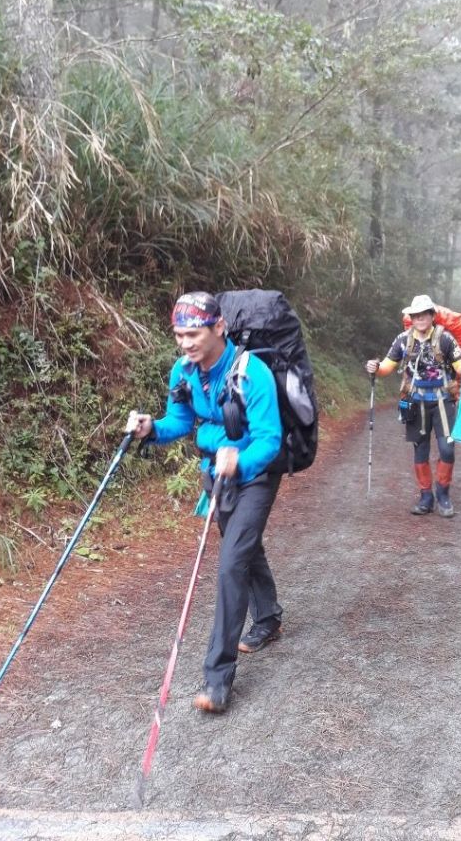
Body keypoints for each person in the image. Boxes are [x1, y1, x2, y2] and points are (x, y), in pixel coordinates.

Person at [126, 291, 284, 715]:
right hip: (216, 473)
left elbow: (270, 439)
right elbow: (179, 421)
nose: (185, 343)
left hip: (256, 475)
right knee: (243, 548)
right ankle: (268, 616)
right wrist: (151, 429)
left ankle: (217, 679)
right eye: (179, 335)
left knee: (232, 563)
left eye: (193, 334)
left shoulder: (253, 374)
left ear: (219, 327)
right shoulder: (184, 371)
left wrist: (240, 462)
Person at [366, 294, 461, 517]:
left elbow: (459, 368)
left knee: (447, 449)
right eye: (415, 315)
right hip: (415, 402)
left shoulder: (445, 339)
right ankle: (426, 497)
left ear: (432, 316)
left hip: (443, 400)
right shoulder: (403, 340)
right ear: (411, 318)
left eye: (424, 314)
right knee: (420, 449)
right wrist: (375, 367)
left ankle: (443, 494)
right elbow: (387, 366)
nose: (420, 318)